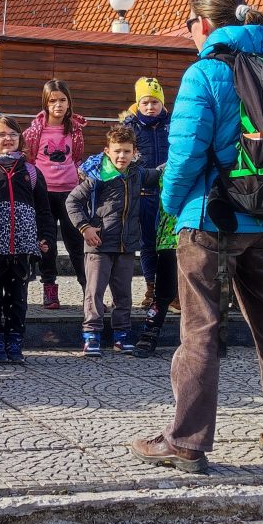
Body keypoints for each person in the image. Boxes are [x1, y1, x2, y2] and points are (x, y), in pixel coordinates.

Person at [131, 0, 263, 474]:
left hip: (212, 218)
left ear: (204, 24)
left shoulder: (205, 72)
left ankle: (187, 442)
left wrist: (170, 204)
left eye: (190, 25)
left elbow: (185, 155)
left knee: (201, 329)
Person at [67, 124, 160, 356]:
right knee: (95, 292)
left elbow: (160, 173)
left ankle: (122, 334)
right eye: (117, 151)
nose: (122, 156)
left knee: (123, 294)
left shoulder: (137, 173)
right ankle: (91, 334)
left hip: (126, 245)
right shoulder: (98, 176)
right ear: (107, 151)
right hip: (98, 245)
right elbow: (72, 201)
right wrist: (85, 227)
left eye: (127, 151)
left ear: (134, 152)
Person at [0, 116, 56, 364]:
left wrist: (45, 236)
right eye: (1, 135)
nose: (8, 139)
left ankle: (14, 339)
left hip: (23, 246)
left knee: (18, 297)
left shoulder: (31, 172)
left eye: (13, 134)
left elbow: (45, 210)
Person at [22, 79, 88, 309]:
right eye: (53, 101)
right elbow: (29, 159)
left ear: (69, 103)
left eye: (62, 100)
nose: (58, 105)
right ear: (45, 103)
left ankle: (88, 289)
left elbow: (76, 157)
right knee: (47, 244)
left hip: (69, 194)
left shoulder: (75, 131)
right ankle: (49, 288)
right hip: (44, 194)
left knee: (76, 244)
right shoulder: (34, 132)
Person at [123, 77, 172, 311]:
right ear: (138, 104)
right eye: (145, 102)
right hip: (143, 193)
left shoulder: (172, 124)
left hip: (170, 191)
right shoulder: (130, 127)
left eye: (155, 102)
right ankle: (151, 287)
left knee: (170, 245)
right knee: (148, 243)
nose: (150, 107)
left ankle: (170, 290)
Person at [132, 177, 178, 359]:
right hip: (170, 237)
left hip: (203, 234)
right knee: (163, 292)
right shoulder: (166, 168)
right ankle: (150, 331)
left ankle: (204, 338)